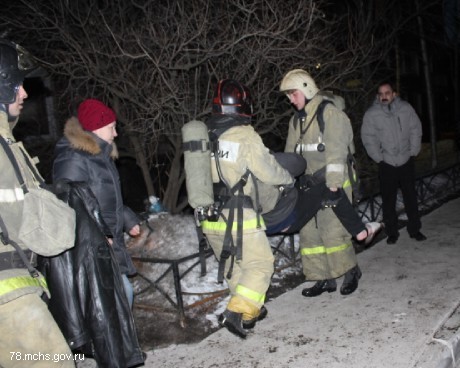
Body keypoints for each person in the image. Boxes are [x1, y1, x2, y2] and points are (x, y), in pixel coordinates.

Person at [0, 39, 75, 368]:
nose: (25, 94)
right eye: (18, 85)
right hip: (9, 292)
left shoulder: (5, 141)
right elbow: (29, 220)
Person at [280, 68, 363, 298]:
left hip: (331, 181)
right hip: (308, 187)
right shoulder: (296, 122)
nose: (290, 99)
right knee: (311, 235)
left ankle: (350, 271)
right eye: (288, 95)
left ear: (307, 89)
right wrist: (286, 187)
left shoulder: (330, 115)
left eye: (293, 93)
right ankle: (323, 278)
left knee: (334, 232)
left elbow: (337, 153)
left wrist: (335, 187)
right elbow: (290, 156)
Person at [53, 99, 141, 307]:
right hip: (91, 248)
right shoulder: (73, 159)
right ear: (97, 128)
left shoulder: (101, 156)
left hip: (108, 244)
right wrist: (97, 234)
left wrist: (127, 218)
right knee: (120, 296)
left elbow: (104, 198)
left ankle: (117, 339)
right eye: (112, 128)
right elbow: (70, 205)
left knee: (119, 301)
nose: (116, 133)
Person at [361, 82, 426, 244]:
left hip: (405, 160)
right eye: (381, 94)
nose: (384, 96)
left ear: (394, 94)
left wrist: (413, 151)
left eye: (387, 93)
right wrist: (378, 157)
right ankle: (392, 232)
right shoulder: (372, 114)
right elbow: (368, 137)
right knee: (388, 200)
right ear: (378, 96)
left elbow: (415, 129)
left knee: (410, 196)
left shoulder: (406, 108)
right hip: (387, 163)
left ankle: (415, 229)